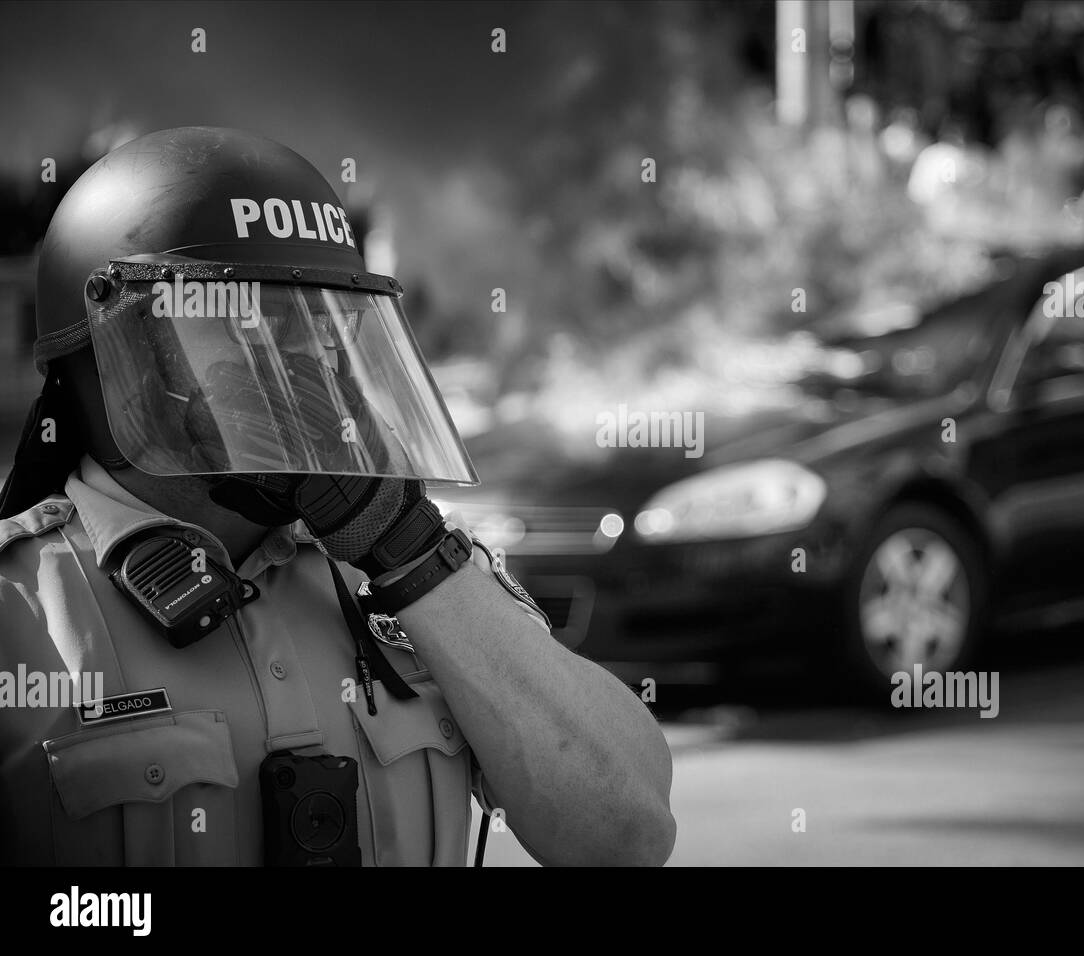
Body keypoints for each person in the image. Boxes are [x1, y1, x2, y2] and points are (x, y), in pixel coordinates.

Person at [0, 127, 675, 867]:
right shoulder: (18, 609)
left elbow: (628, 837)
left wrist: (410, 555)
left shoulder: (413, 571)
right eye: (239, 322)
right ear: (114, 357)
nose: (291, 365)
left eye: (314, 330)